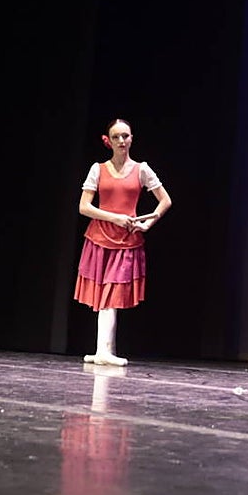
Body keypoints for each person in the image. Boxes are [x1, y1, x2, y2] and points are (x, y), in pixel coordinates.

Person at [74, 119, 172, 366]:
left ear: (131, 139)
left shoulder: (141, 169)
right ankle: (103, 349)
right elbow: (84, 207)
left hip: (126, 240)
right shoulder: (98, 169)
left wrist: (147, 223)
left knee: (112, 292)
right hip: (99, 237)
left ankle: (104, 350)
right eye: (116, 137)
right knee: (102, 295)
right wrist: (114, 217)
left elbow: (165, 200)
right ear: (108, 141)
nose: (121, 141)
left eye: (125, 136)